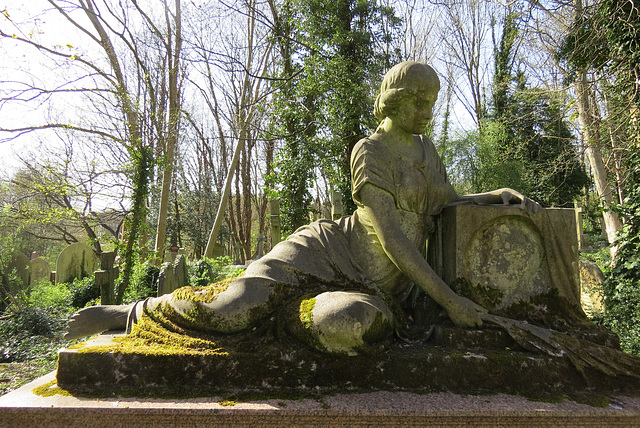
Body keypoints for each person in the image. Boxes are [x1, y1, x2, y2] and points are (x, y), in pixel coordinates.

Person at [65, 62, 540, 355]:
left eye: (431, 102)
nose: (425, 110)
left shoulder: (426, 151)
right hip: (328, 254)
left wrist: (490, 196)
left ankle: (291, 321)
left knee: (350, 325)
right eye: (416, 99)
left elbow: (444, 204)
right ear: (392, 100)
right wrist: (450, 301)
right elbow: (393, 237)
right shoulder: (370, 151)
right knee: (234, 307)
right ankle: (133, 313)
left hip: (378, 289)